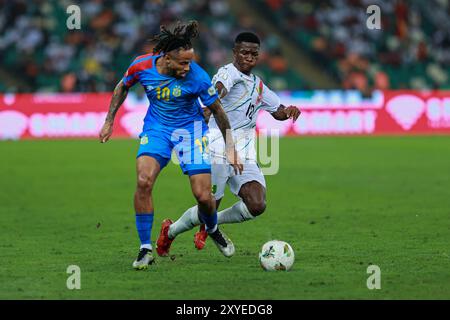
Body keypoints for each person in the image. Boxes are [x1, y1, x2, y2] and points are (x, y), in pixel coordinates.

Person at [99, 21, 243, 270]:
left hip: (191, 131)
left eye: (190, 62)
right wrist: (109, 120)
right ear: (166, 58)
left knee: (203, 196)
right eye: (183, 63)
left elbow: (218, 111)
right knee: (144, 181)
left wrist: (230, 148)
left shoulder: (198, 77)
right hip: (157, 129)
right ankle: (145, 248)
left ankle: (212, 228)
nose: (188, 68)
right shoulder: (142, 65)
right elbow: (123, 86)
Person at [157, 32, 300, 254]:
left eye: (254, 53)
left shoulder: (258, 85)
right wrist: (208, 107)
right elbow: (219, 90)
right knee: (210, 204)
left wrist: (288, 111)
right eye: (244, 52)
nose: (249, 57)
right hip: (217, 142)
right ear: (235, 52)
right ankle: (172, 232)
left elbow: (277, 111)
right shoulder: (227, 73)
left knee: (256, 204)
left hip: (244, 149)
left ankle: (210, 226)